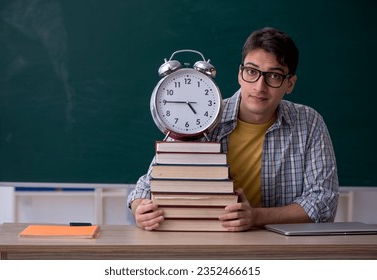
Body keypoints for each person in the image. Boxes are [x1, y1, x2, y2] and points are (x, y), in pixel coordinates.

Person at [127, 27, 339, 231]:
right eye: (251, 71)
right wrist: (140, 210)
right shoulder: (203, 119)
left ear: (290, 83)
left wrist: (256, 217)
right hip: (210, 243)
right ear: (240, 74)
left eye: (274, 76)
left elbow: (323, 202)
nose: (259, 86)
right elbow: (147, 186)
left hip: (280, 248)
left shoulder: (309, 123)